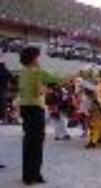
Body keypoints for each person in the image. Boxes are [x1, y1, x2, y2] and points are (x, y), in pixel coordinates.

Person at [19, 46, 59, 185]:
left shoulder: (22, 72)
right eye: (37, 56)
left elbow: (26, 91)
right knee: (36, 143)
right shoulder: (37, 72)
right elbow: (55, 80)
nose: (39, 59)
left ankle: (27, 175)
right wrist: (47, 90)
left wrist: (43, 89)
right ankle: (34, 175)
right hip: (36, 109)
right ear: (33, 58)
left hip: (25, 108)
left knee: (28, 142)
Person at [0, 52, 12, 124]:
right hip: (3, 89)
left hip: (3, 89)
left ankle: (2, 117)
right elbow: (11, 77)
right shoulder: (5, 70)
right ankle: (2, 118)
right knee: (2, 103)